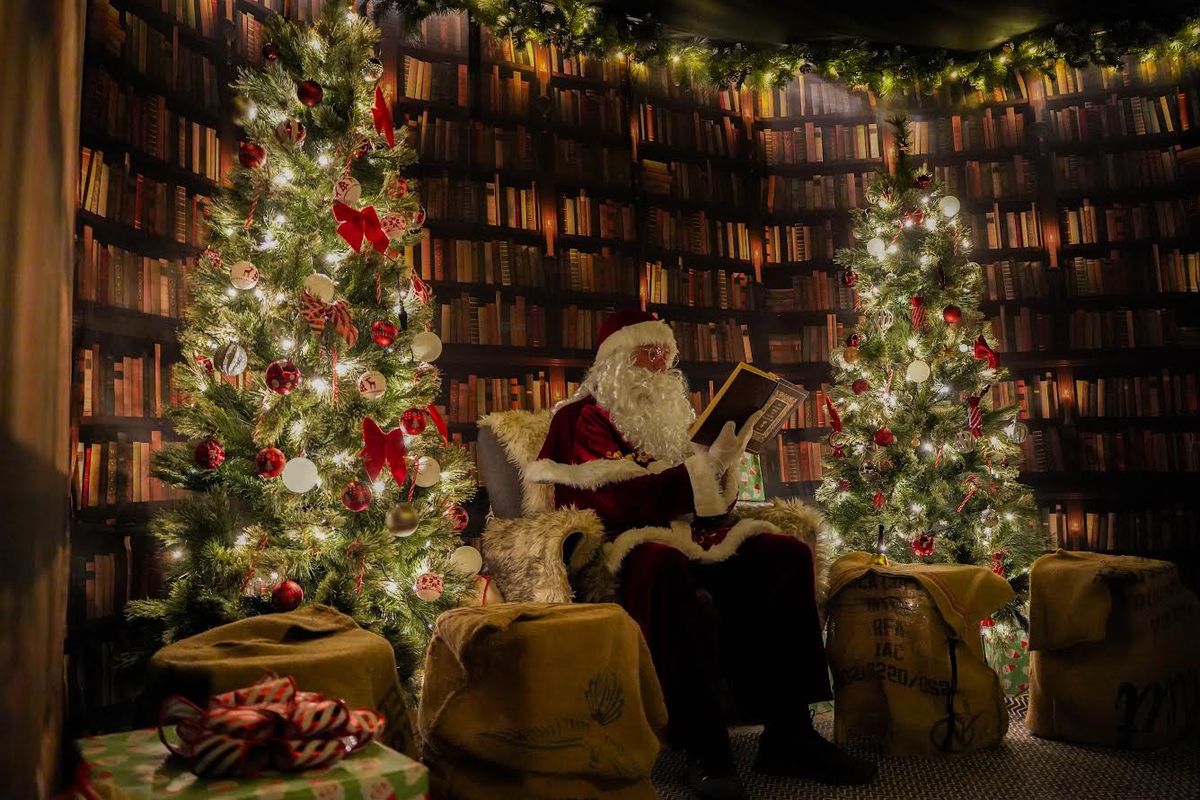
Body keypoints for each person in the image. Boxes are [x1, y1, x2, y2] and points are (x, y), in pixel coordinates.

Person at [527, 310, 876, 799]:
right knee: (661, 563)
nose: (660, 361)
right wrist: (700, 472)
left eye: (665, 352)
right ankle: (703, 745)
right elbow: (613, 502)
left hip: (693, 536)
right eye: (649, 350)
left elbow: (711, 504)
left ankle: (790, 734)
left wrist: (722, 464)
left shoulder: (674, 417)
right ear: (616, 359)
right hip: (620, 545)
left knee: (784, 553)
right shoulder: (581, 417)